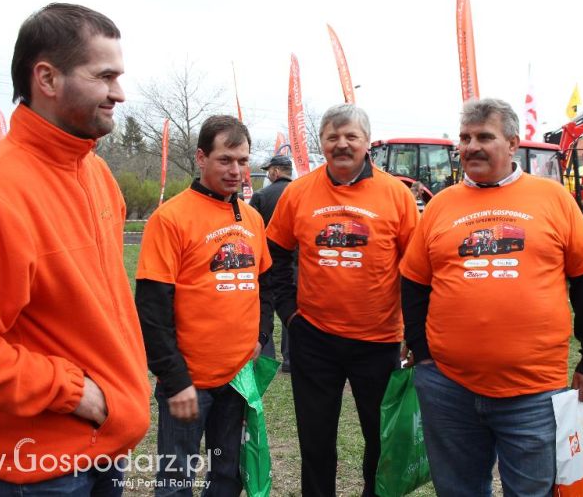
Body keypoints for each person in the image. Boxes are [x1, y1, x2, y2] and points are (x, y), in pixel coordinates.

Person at [0, 3, 150, 493]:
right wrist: (68, 392)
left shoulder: (96, 173)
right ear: (46, 78)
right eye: (104, 75)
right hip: (32, 473)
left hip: (100, 453)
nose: (119, 93)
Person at [400, 98, 583, 496]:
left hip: (534, 392)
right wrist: (422, 350)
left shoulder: (553, 199)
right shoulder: (441, 205)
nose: (472, 146)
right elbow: (413, 282)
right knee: (459, 490)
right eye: (465, 138)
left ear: (512, 144)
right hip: (449, 388)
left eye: (484, 137)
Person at [265, 103, 418, 496]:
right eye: (332, 137)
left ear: (367, 142)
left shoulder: (396, 196)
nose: (342, 144)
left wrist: (415, 333)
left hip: (379, 341)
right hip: (314, 339)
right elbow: (274, 257)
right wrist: (290, 313)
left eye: (351, 136)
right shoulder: (299, 192)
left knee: (379, 441)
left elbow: (418, 269)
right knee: (315, 444)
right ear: (321, 143)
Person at [135, 115, 272, 495]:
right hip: (189, 383)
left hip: (238, 380)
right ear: (200, 157)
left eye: (243, 161)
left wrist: (262, 334)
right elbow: (151, 307)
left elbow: (265, 283)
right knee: (177, 480)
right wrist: (175, 380)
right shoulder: (171, 218)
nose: (236, 170)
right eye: (225, 159)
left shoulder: (254, 218)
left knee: (227, 476)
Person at [250, 154, 293, 371]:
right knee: (291, 308)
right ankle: (290, 359)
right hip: (295, 264)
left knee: (264, 306)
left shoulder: (261, 196)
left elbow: (250, 230)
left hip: (267, 262)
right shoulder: (301, 194)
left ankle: (265, 355)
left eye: (269, 171)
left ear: (275, 172)